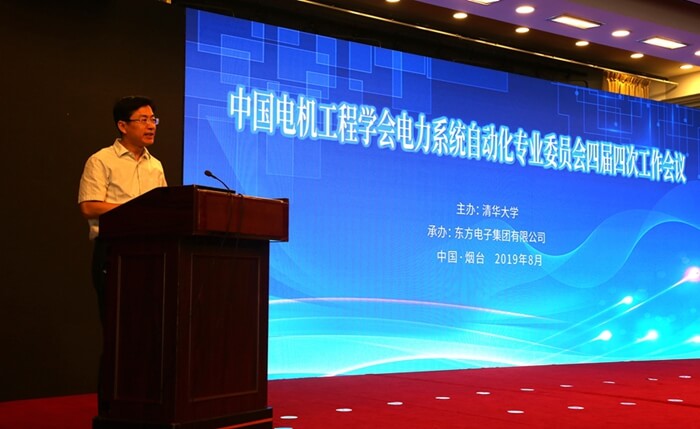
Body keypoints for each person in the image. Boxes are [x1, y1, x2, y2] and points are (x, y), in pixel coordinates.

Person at [78, 96, 167, 413]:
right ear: (122, 125)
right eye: (143, 119)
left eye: (153, 119)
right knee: (119, 334)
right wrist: (136, 210)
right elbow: (89, 206)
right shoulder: (101, 160)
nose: (151, 125)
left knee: (149, 336)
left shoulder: (155, 166)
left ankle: (146, 405)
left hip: (153, 257)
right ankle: (112, 409)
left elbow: (164, 209)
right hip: (115, 255)